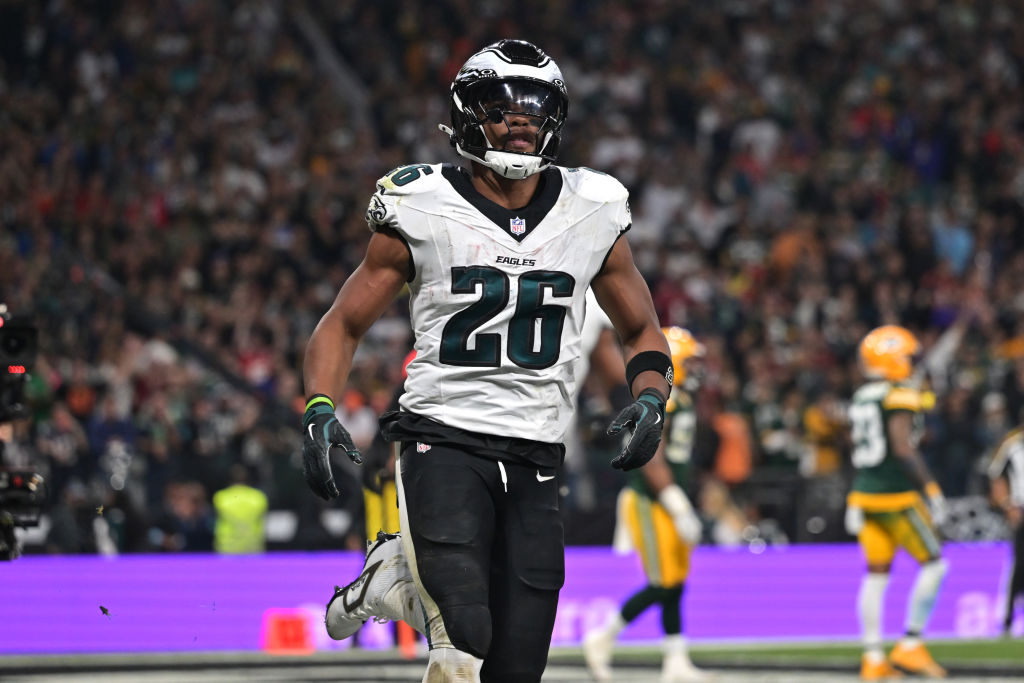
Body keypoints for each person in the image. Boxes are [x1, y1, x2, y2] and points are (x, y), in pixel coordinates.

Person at [300, 39, 673, 683]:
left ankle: (392, 583)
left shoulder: (593, 207)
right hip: (442, 437)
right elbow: (344, 323)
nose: (520, 121)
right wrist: (318, 407)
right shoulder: (420, 203)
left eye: (534, 107)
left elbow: (640, 325)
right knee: (463, 636)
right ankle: (404, 589)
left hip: (536, 446)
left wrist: (650, 396)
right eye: (503, 107)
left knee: (517, 667)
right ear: (468, 112)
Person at [583, 326, 708, 683]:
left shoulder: (681, 400)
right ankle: (603, 637)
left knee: (677, 581)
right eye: (691, 361)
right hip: (650, 500)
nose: (697, 368)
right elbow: (652, 459)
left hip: (667, 501)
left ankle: (676, 660)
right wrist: (676, 502)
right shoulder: (657, 401)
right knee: (662, 581)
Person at [845, 325, 949, 680]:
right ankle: (911, 645)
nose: (914, 362)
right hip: (896, 496)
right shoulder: (898, 394)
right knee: (934, 565)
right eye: (908, 356)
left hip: (863, 494)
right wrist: (932, 489)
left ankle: (873, 658)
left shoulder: (864, 395)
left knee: (876, 577)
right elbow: (903, 447)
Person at [988, 423, 1024, 637]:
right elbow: (996, 475)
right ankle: (1007, 618)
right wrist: (1007, 505)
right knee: (1020, 565)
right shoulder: (1012, 444)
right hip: (1022, 510)